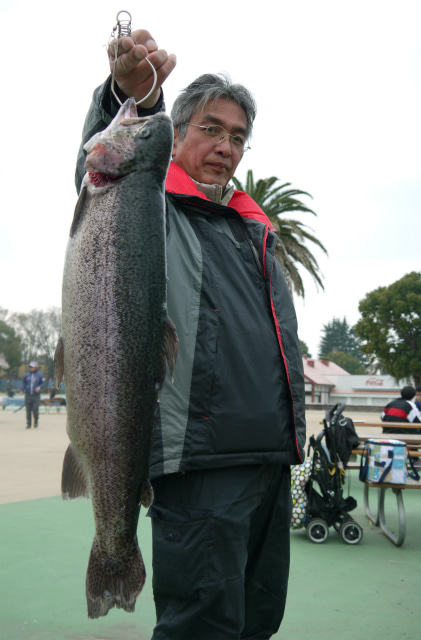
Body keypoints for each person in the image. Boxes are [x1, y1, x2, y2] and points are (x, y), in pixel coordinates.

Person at [76, 28, 306, 640]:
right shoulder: (149, 204)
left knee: (258, 621)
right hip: (198, 467)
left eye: (237, 137)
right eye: (210, 128)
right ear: (175, 136)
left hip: (268, 463)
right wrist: (133, 98)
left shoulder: (254, 228)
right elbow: (106, 160)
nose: (225, 146)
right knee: (201, 628)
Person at [20, 361, 45, 429]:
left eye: (32, 367)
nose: (30, 368)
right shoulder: (27, 375)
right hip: (28, 395)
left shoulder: (40, 375)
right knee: (28, 410)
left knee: (35, 409)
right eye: (30, 367)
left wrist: (39, 387)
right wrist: (22, 389)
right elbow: (24, 383)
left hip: (36, 395)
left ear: (36, 367)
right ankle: (29, 424)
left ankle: (36, 422)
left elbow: (43, 383)